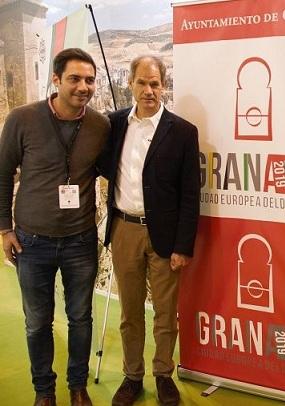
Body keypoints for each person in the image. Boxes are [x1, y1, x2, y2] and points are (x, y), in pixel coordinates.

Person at [0, 48, 110, 406]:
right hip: (32, 242)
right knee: (37, 322)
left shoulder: (99, 125)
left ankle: (77, 387)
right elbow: (2, 174)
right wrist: (5, 228)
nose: (84, 87)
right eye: (75, 79)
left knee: (81, 318)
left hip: (80, 239)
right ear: (56, 79)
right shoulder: (22, 119)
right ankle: (44, 392)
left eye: (90, 80)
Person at [98, 55, 200, 406]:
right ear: (130, 84)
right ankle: (132, 376)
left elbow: (190, 194)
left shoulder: (183, 131)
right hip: (124, 229)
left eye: (155, 83)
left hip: (166, 236)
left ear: (163, 85)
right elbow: (99, 165)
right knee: (130, 312)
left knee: (165, 311)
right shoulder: (113, 125)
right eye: (142, 82)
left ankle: (162, 374)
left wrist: (183, 245)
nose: (148, 90)